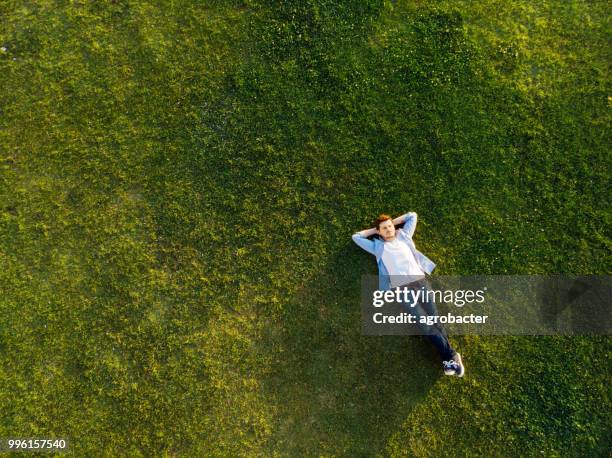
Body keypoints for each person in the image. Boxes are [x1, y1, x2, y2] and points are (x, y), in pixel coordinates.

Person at [352, 212, 465, 377]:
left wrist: (393, 222)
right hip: (402, 290)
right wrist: (374, 230)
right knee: (425, 325)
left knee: (434, 319)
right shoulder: (377, 247)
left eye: (390, 226)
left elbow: (412, 216)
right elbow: (356, 237)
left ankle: (450, 358)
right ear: (379, 232)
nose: (389, 229)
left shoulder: (404, 236)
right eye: (384, 228)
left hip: (420, 283)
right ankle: (452, 357)